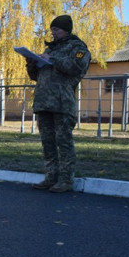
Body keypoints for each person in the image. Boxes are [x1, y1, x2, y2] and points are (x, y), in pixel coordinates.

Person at [25, 14, 91, 193]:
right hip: (44, 102)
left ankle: (66, 180)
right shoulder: (51, 50)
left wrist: (52, 59)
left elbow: (76, 67)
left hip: (62, 102)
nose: (52, 33)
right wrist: (31, 63)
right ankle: (50, 177)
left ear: (66, 30)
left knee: (64, 143)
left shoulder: (78, 48)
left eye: (56, 29)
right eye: (51, 29)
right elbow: (36, 76)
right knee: (48, 143)